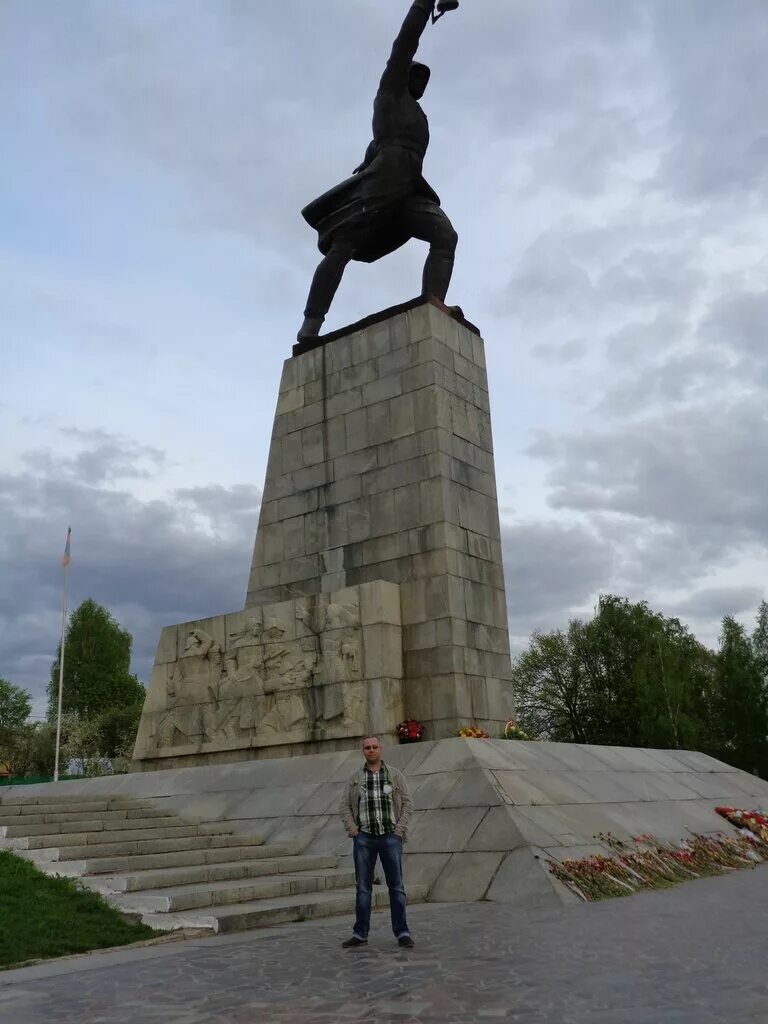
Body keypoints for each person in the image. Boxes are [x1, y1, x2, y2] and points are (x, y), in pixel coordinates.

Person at [297, 0, 459, 342]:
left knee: (444, 235)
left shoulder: (418, 114)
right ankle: (312, 322)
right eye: (416, 73)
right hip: (384, 181)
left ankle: (435, 304)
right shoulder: (389, 94)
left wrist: (368, 156)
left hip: (410, 187)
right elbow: (406, 42)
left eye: (424, 78)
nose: (421, 80)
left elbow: (373, 149)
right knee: (344, 246)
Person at [339, 736, 415, 947]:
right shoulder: (355, 777)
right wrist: (354, 830)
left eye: (374, 747)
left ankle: (402, 933)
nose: (371, 750)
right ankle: (360, 934)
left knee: (396, 887)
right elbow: (344, 805)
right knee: (363, 888)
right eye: (367, 748)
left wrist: (399, 830)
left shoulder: (395, 775)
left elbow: (408, 803)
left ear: (380, 749)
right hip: (364, 838)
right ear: (363, 751)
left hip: (390, 836)